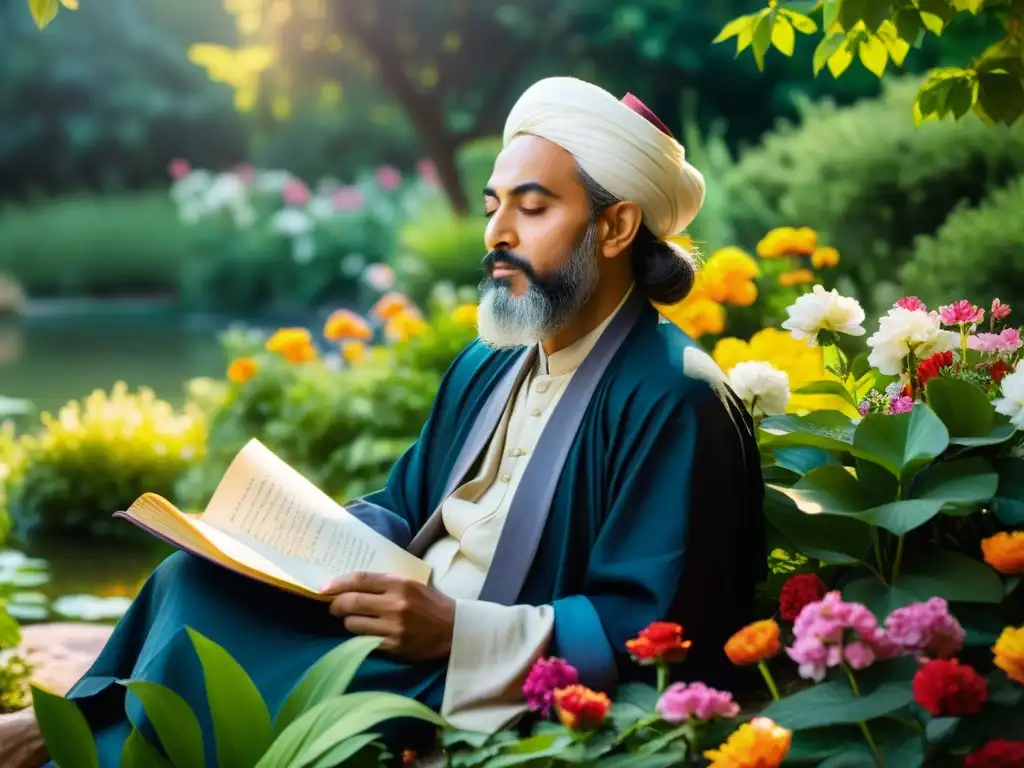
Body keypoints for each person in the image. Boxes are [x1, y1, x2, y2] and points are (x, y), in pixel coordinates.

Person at [0, 76, 765, 767]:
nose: (498, 232)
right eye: (493, 205)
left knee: (230, 663)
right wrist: (277, 544)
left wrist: (456, 631)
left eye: (532, 207)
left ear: (616, 227)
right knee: (193, 581)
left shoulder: (674, 396)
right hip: (411, 623)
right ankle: (73, 729)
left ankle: (62, 742)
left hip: (473, 675)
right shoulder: (488, 364)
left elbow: (654, 625)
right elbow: (407, 507)